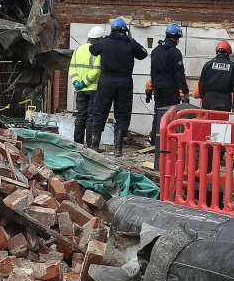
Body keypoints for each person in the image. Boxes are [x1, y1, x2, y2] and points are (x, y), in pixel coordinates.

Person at [87, 18, 147, 156]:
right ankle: (118, 148)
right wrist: (131, 39)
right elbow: (143, 54)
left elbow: (92, 49)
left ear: (112, 29)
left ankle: (95, 145)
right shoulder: (130, 44)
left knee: (100, 111)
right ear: (125, 30)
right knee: (122, 114)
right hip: (124, 82)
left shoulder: (105, 42)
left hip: (106, 80)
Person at [147, 23, 188, 168]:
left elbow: (152, 71)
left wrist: (151, 88)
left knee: (158, 112)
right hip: (170, 87)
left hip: (157, 86)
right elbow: (179, 73)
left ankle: (154, 140)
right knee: (170, 114)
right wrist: (184, 91)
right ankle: (168, 141)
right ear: (176, 37)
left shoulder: (156, 51)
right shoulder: (174, 52)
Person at [68, 26, 104, 146]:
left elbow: (72, 68)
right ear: (99, 38)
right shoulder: (98, 51)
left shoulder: (78, 49)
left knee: (80, 115)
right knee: (90, 118)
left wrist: (76, 82)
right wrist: (85, 82)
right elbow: (96, 70)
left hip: (80, 89)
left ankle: (77, 144)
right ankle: (89, 145)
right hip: (93, 89)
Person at [196, 40, 234, 112]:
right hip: (224, 103)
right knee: (222, 123)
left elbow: (201, 84)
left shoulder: (208, 65)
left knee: (207, 122)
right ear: (229, 52)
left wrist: (203, 97)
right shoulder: (233, 67)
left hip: (208, 101)